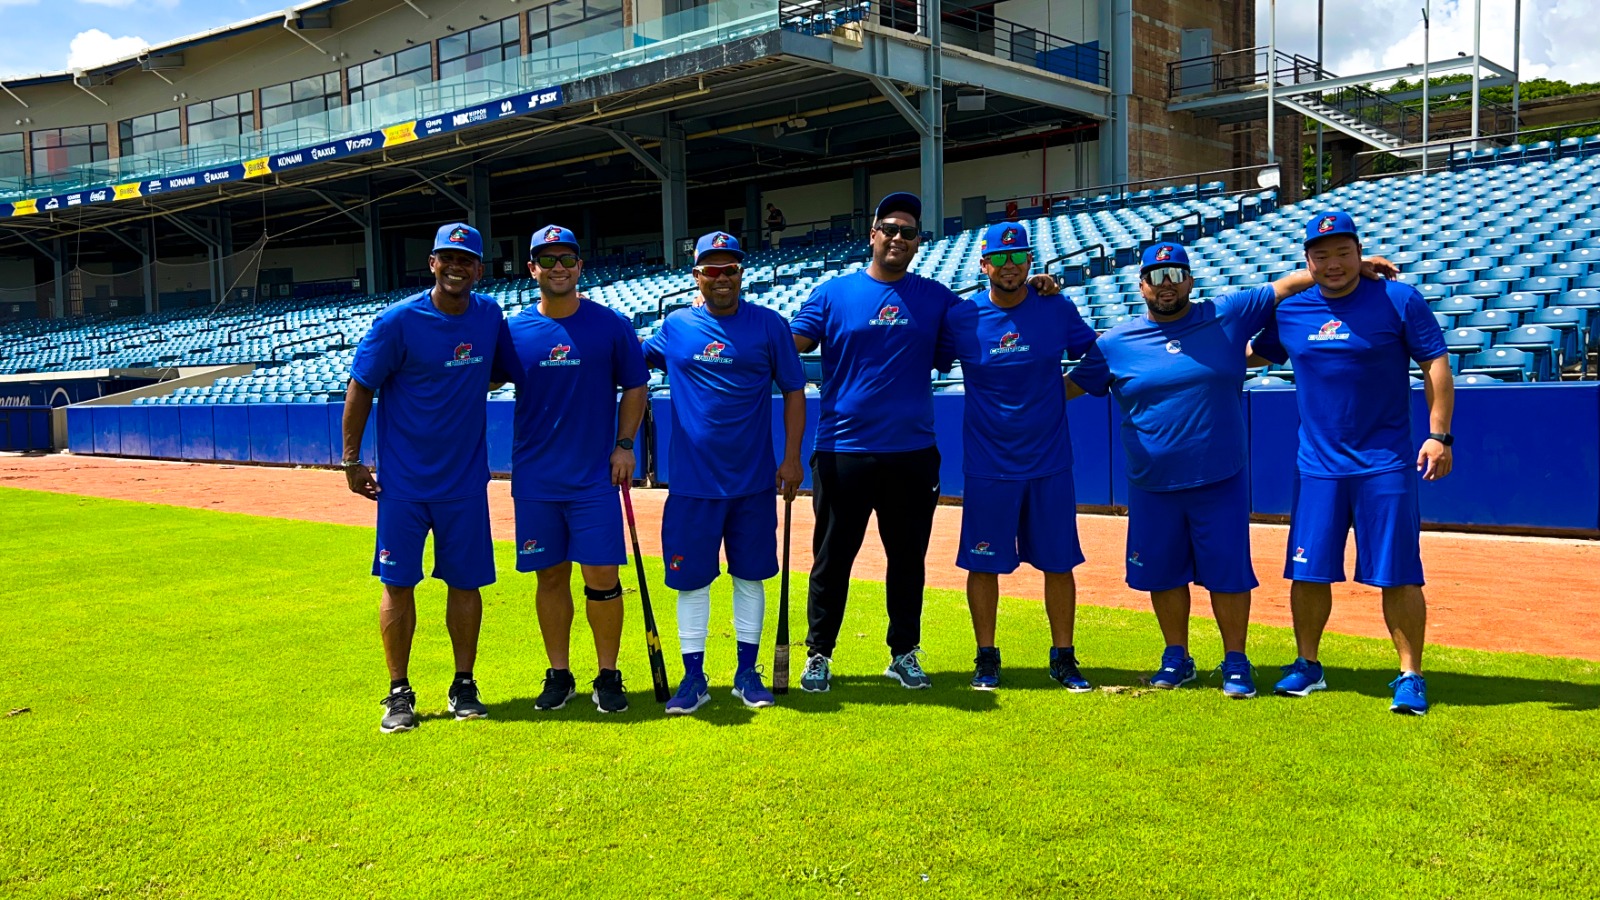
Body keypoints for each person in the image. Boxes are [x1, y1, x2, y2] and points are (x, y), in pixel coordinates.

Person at [1068, 240, 1396, 699]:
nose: (1167, 285)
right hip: (1151, 482)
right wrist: (1011, 394)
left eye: (1175, 274)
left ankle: (1236, 659)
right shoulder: (1116, 343)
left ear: (1190, 280)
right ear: (1141, 285)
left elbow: (1284, 287)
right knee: (1162, 574)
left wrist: (1354, 266)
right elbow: (1070, 387)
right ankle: (1176, 655)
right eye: (1157, 277)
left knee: (1228, 572)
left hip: (1219, 476)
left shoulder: (1226, 313)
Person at [790, 192, 1060, 692]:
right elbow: (789, 344)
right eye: (889, 228)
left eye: (908, 231)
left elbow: (998, 310)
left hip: (912, 453)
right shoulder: (832, 294)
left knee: (908, 559)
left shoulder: (937, 299)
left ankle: (904, 652)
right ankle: (818, 654)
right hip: (841, 450)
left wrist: (1038, 286)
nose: (897, 237)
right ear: (872, 234)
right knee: (832, 557)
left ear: (918, 243)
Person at [1249, 210, 1453, 716]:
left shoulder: (1397, 299)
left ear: (1360, 254)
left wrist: (1439, 435)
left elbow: (1435, 362)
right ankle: (1307, 665)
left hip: (1384, 462)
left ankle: (1411, 676)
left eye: (1344, 252)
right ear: (1307, 261)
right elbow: (1257, 353)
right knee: (1308, 572)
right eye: (1322, 255)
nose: (1333, 263)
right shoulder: (1292, 309)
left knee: (1400, 572)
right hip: (1317, 465)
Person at [342, 222, 504, 733]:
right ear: (432, 263)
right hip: (404, 486)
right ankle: (398, 692)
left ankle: (464, 683)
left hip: (464, 483)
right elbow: (360, 386)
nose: (457, 266)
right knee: (398, 583)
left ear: (479, 268)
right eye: (447, 257)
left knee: (466, 583)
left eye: (467, 259)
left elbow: (498, 370)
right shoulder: (398, 321)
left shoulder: (489, 316)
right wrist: (351, 460)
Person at [641, 231, 807, 715]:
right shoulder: (675, 327)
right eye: (710, 270)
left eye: (729, 269)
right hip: (692, 485)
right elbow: (626, 361)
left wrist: (792, 456)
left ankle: (746, 673)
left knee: (750, 577)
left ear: (741, 273)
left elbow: (795, 391)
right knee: (691, 581)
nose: (720, 277)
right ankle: (693, 678)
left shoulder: (770, 325)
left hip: (754, 481)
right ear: (696, 276)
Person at [495, 224, 648, 714]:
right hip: (537, 479)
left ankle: (608, 675)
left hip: (594, 479)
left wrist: (625, 445)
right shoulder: (512, 331)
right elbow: (469, 374)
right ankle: (559, 675)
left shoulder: (611, 325)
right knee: (549, 576)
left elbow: (636, 387)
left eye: (567, 259)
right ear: (532, 268)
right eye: (548, 259)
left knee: (602, 576)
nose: (558, 267)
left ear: (580, 267)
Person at [938, 221, 1097, 691]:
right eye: (1000, 259)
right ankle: (986, 657)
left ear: (1031, 262)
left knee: (1058, 562)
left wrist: (1061, 391)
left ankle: (1063, 656)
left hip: (1049, 461)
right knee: (982, 563)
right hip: (989, 465)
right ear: (984, 264)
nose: (1010, 266)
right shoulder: (962, 317)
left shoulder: (1055, 305)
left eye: (1019, 257)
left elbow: (1098, 357)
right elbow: (920, 355)